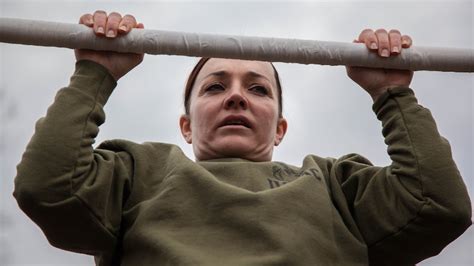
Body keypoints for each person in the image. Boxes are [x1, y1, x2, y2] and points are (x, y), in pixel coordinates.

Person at [13, 10, 471, 266]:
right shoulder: (138, 172)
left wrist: (392, 94)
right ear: (187, 125)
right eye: (215, 87)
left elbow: (438, 207)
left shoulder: (334, 184)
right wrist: (96, 72)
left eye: (257, 88)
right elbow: (49, 187)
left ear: (280, 127)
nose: (236, 98)